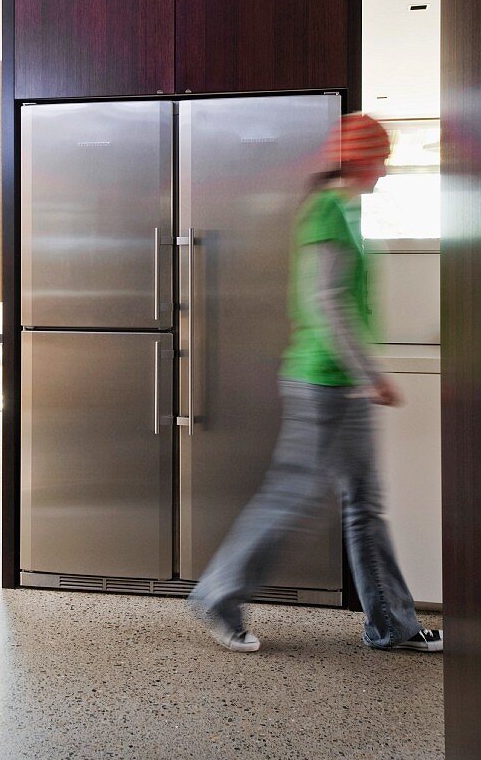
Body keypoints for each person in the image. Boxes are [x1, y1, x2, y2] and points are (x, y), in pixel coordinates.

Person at [189, 113, 443, 654]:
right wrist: (370, 374)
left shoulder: (345, 211)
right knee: (295, 495)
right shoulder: (327, 209)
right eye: (381, 155)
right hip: (321, 382)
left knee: (363, 503)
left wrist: (365, 376)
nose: (386, 166)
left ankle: (391, 625)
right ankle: (219, 592)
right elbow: (327, 303)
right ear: (359, 158)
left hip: (340, 384)